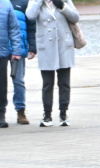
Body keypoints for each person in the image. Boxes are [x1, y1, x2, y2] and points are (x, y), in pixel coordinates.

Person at [25, 0, 74, 127]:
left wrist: (63, 6)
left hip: (63, 46)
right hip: (46, 48)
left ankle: (63, 114)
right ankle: (47, 115)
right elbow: (30, 15)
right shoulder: (36, 2)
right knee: (47, 84)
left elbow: (75, 16)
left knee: (64, 83)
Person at [8, 0, 34, 125]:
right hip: (1, 48)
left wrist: (33, 47)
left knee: (18, 81)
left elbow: (31, 26)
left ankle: (21, 111)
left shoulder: (24, 2)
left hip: (19, 48)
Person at [0, 0, 21, 128]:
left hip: (2, 53)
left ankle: (1, 115)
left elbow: (14, 28)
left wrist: (16, 50)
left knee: (1, 86)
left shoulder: (6, 4)